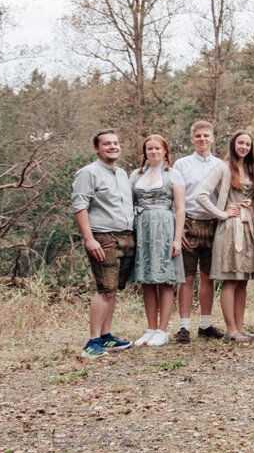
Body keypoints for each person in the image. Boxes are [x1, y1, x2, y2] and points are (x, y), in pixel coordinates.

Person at [196, 131, 254, 342]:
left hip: (249, 227)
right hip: (231, 226)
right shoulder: (223, 168)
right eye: (240, 143)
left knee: (243, 280)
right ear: (233, 144)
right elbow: (201, 195)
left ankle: (241, 327)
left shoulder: (253, 170)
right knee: (230, 280)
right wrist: (222, 213)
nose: (243, 147)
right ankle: (231, 329)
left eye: (247, 144)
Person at [71, 129, 134, 358]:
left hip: (125, 236)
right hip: (103, 237)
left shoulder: (122, 174)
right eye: (107, 144)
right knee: (104, 289)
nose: (113, 146)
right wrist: (89, 239)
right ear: (97, 148)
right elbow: (80, 206)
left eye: (116, 143)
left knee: (113, 289)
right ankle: (93, 341)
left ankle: (107, 337)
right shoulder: (88, 173)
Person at [129, 135, 186, 347]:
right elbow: (129, 203)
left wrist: (177, 238)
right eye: (149, 149)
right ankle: (151, 327)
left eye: (157, 148)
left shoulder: (173, 174)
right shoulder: (136, 175)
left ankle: (163, 328)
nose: (153, 152)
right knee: (146, 278)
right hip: (142, 227)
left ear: (165, 151)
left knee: (164, 278)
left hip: (164, 226)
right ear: (145, 152)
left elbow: (180, 208)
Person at [172, 121, 223, 343]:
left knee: (208, 277)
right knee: (186, 277)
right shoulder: (181, 165)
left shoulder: (221, 165)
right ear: (192, 139)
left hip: (213, 224)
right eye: (198, 136)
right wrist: (178, 227)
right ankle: (184, 326)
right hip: (189, 224)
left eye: (206, 136)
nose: (202, 139)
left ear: (213, 138)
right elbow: (175, 199)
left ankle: (205, 324)